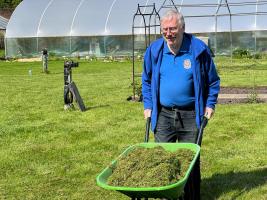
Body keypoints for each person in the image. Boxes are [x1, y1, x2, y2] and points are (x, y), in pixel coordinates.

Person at [142, 9, 220, 199]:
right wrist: (148, 105)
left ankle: (192, 196)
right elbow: (147, 80)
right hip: (163, 115)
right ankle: (168, 195)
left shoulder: (198, 50)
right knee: (162, 159)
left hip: (191, 115)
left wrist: (210, 105)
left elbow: (213, 81)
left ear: (183, 28)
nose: (168, 33)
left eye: (172, 29)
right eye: (164, 30)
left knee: (190, 161)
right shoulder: (154, 51)